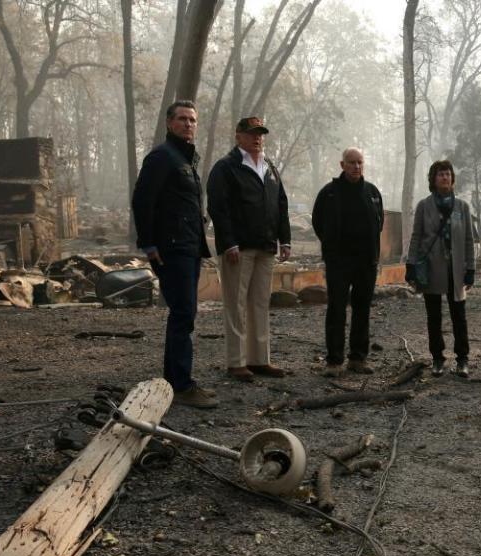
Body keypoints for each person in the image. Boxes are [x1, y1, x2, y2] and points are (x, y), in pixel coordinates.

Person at [131, 100, 217, 408]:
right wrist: (149, 245)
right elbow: (142, 201)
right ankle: (180, 385)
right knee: (183, 314)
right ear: (169, 123)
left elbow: (181, 203)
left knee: (184, 313)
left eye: (193, 120)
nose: (188, 124)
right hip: (171, 248)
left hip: (190, 246)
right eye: (182, 119)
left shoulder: (185, 159)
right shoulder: (161, 157)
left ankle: (173, 381)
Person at [206, 117, 292, 382]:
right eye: (251, 133)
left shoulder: (270, 167)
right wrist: (228, 242)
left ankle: (259, 359)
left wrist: (284, 239)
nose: (257, 138)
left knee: (259, 304)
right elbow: (218, 209)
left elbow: (281, 204)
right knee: (236, 304)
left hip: (266, 247)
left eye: (260, 133)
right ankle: (236, 362)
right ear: (238, 136)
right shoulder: (226, 168)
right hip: (238, 248)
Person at [312, 148, 384, 377]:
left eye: (360, 162)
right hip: (338, 263)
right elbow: (318, 223)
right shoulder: (329, 193)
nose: (356, 167)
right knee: (336, 310)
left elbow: (379, 223)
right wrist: (332, 249)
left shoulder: (372, 192)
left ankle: (357, 358)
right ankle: (334, 361)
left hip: (366, 262)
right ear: (342, 164)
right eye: (351, 163)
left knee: (362, 310)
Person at [406, 160, 475, 378]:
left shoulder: (462, 206)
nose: (445, 177)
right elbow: (416, 236)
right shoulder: (424, 205)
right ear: (433, 179)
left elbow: (468, 239)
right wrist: (410, 265)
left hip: (455, 268)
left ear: (452, 178)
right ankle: (437, 358)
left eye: (447, 174)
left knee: (459, 316)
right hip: (431, 267)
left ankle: (462, 359)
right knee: (433, 316)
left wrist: (470, 268)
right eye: (440, 174)